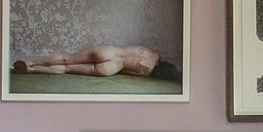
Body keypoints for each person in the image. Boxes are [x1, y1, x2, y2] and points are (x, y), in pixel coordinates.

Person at [14, 44, 182, 83]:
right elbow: (126, 72)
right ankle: (31, 70)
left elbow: (132, 46)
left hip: (110, 52)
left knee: (66, 58)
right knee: (66, 69)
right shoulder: (147, 72)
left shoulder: (153, 53)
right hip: (111, 67)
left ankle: (31, 62)